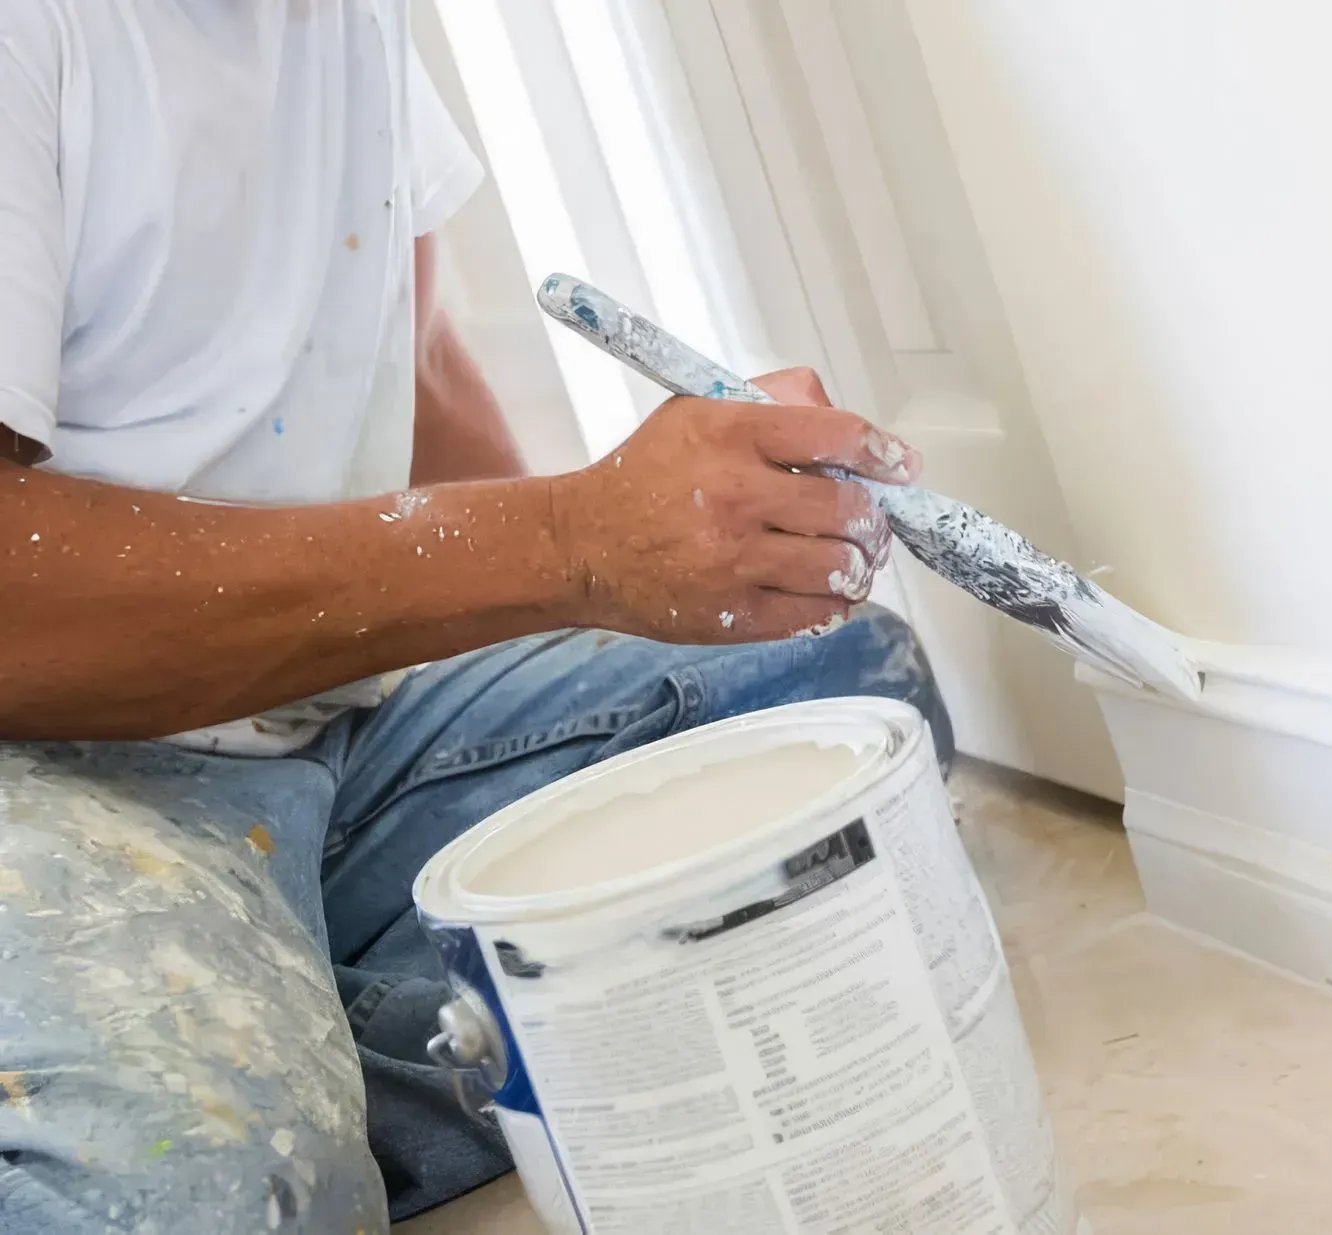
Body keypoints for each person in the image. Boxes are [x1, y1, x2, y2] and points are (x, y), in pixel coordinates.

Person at [0, 2, 953, 1230]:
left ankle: (260, 1031)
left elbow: (422, 356)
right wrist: (571, 538)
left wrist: (615, 568)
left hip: (317, 714)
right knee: (193, 1190)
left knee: (843, 713)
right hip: (53, 762)